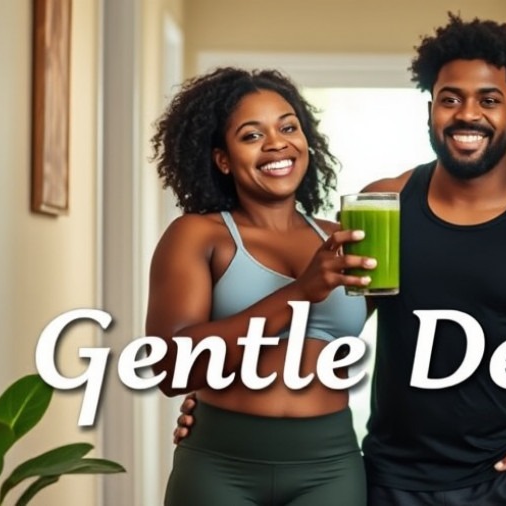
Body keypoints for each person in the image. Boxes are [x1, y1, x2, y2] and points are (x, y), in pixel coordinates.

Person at [176, 14, 506, 506]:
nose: (468, 114)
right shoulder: (383, 207)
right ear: (430, 111)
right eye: (450, 99)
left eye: (489, 100)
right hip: (388, 482)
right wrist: (217, 407)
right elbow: (325, 327)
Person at [147, 67, 376, 506]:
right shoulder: (197, 235)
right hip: (220, 466)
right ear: (223, 159)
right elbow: (171, 370)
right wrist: (299, 293)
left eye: (288, 127)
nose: (276, 143)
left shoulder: (339, 239)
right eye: (252, 135)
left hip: (330, 466)